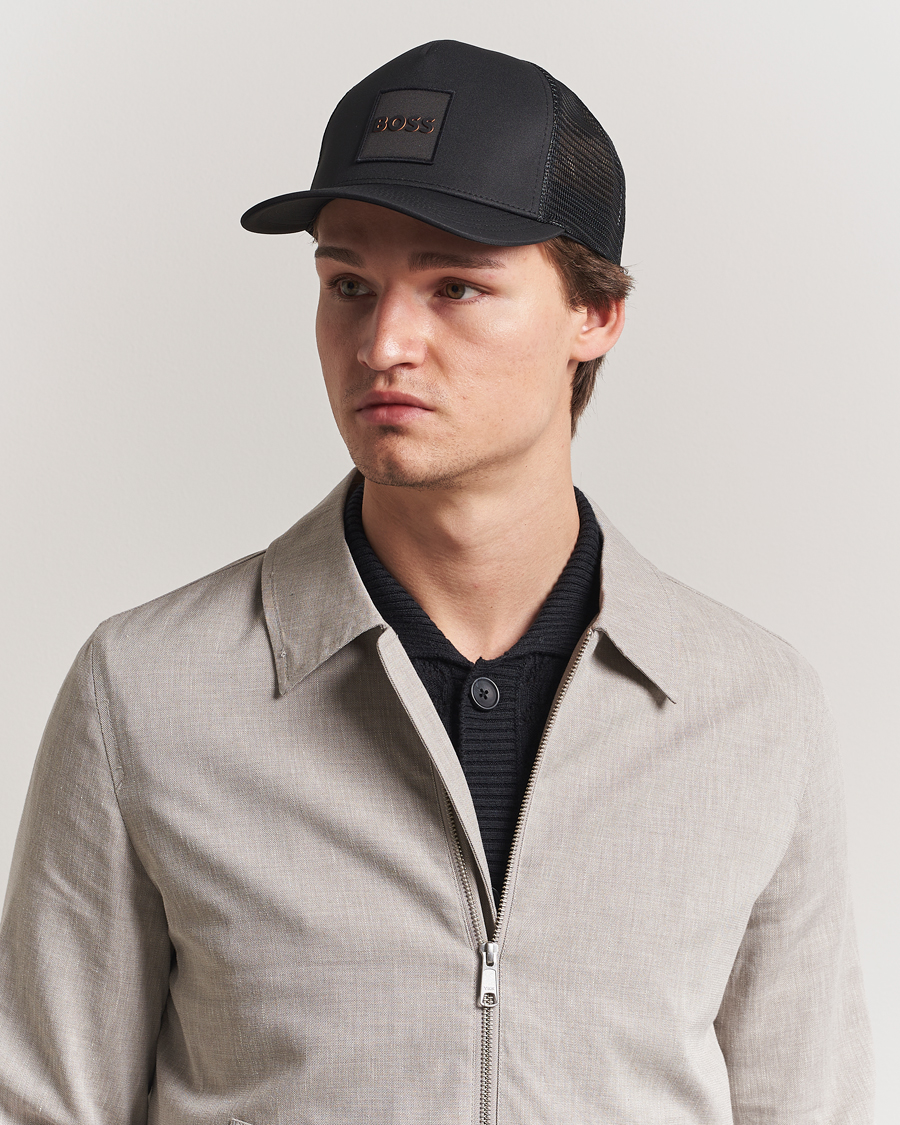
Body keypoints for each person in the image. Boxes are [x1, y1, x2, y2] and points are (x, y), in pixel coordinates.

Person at [0, 39, 873, 1125]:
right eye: (349, 285)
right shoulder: (145, 689)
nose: (384, 343)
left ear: (594, 314)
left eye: (456, 284)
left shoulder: (753, 706)